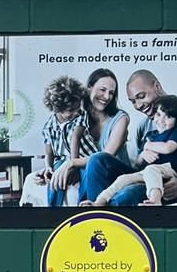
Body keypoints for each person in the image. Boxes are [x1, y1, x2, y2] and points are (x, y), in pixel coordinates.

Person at [78, 69, 177, 206]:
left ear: (157, 87)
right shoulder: (143, 126)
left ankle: (105, 217)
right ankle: (94, 210)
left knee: (128, 194)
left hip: (173, 182)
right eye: (133, 101)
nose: (139, 105)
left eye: (141, 96)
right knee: (98, 159)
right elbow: (136, 167)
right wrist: (142, 154)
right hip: (146, 177)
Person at [89, 95, 177, 207]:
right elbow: (138, 162)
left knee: (151, 169)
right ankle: (99, 202)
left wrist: (148, 145)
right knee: (123, 178)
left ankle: (155, 201)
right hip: (146, 174)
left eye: (168, 117)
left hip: (168, 171)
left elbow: (168, 148)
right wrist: (143, 154)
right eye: (158, 114)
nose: (161, 120)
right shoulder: (151, 135)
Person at [46, 67, 128, 201]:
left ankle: (88, 210)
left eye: (111, 93)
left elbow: (104, 158)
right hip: (87, 167)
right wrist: (50, 168)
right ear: (89, 88)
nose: (107, 97)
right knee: (61, 167)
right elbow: (62, 145)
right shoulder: (77, 114)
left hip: (113, 171)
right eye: (102, 90)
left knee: (93, 162)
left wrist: (71, 163)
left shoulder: (120, 119)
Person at [21, 75, 93, 206]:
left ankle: (83, 207)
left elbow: (75, 138)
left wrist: (73, 167)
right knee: (56, 174)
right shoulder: (49, 126)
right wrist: (48, 167)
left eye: (78, 107)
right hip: (63, 161)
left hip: (84, 159)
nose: (76, 112)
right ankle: (53, 209)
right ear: (56, 108)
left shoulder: (81, 117)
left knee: (87, 175)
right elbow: (49, 153)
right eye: (71, 110)